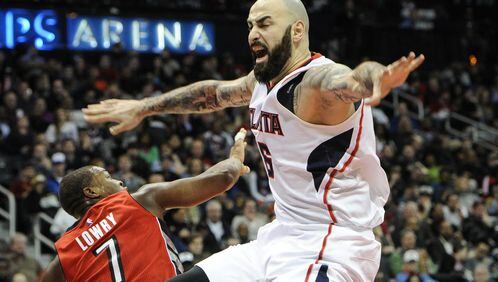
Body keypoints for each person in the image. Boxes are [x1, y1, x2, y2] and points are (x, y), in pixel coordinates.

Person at [83, 0, 425, 280]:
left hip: (330, 245)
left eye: (264, 24)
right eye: (250, 25)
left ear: (297, 31)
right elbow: (212, 94)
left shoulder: (315, 82)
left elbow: (351, 79)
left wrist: (375, 78)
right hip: (279, 236)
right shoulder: (261, 82)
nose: (253, 34)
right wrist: (143, 107)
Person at [41, 129, 249, 281]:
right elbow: (224, 176)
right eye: (108, 177)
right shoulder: (138, 201)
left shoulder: (64, 252)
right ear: (92, 192)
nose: (119, 182)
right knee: (236, 257)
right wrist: (236, 157)